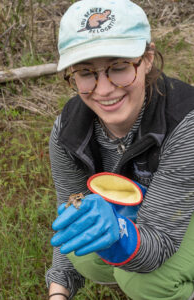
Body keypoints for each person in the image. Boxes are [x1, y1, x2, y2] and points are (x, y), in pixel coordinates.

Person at [46, 0, 194, 299]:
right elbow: (72, 214)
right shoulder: (69, 130)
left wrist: (119, 235)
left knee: (144, 280)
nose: (103, 90)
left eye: (119, 67)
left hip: (184, 210)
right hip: (148, 211)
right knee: (83, 254)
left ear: (147, 58)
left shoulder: (184, 121)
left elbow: (159, 243)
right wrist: (58, 291)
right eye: (86, 73)